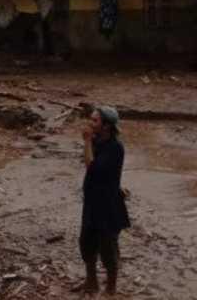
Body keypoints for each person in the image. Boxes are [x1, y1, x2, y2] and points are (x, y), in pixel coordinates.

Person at [73, 105, 130, 295]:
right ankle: (91, 282)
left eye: (95, 120)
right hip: (92, 202)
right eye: (91, 118)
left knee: (108, 248)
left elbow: (92, 167)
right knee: (87, 243)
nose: (90, 122)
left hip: (108, 205)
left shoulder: (115, 147)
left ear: (106, 126)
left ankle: (111, 288)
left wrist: (87, 141)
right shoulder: (97, 141)